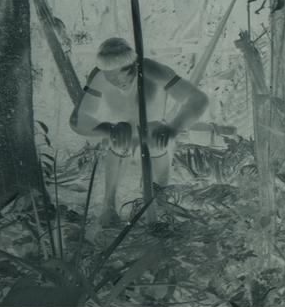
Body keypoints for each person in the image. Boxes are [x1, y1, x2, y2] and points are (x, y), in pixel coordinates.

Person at [70, 37, 208, 226]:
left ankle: (159, 200)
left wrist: (172, 129)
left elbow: (198, 99)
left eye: (125, 75)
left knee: (154, 133)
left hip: (154, 136)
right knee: (121, 134)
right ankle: (108, 207)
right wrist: (109, 128)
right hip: (123, 137)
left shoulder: (154, 71)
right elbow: (78, 119)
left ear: (135, 64)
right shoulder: (100, 76)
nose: (120, 82)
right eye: (112, 78)